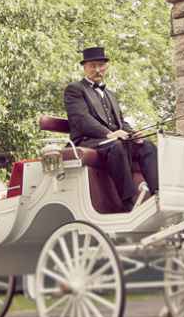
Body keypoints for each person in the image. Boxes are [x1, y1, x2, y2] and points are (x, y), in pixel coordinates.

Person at [63, 46, 158, 212]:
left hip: (113, 140)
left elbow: (120, 122)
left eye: (101, 65)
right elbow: (82, 120)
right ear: (85, 67)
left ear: (106, 67)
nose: (98, 69)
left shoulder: (111, 94)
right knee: (117, 146)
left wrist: (133, 134)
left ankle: (157, 192)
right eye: (93, 65)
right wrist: (109, 133)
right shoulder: (75, 89)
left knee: (147, 146)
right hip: (89, 140)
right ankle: (128, 201)